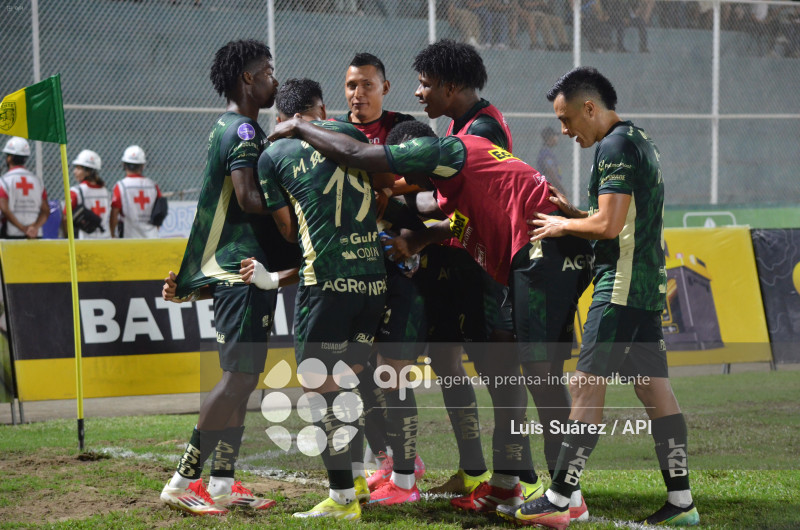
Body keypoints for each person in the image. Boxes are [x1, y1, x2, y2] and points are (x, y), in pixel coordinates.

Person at [267, 115, 593, 520]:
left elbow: (358, 153)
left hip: (543, 253)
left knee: (540, 377)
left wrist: (299, 128)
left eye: (402, 169)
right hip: (527, 261)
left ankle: (566, 495)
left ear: (413, 158)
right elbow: (451, 219)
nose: (420, 93)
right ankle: (509, 485)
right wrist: (418, 237)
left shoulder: (450, 148)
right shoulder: (449, 189)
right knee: (512, 369)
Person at [497, 66, 700, 527]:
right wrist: (575, 211)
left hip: (621, 284)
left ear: (591, 107)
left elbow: (609, 226)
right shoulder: (637, 139)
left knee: (586, 385)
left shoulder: (613, 146)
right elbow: (621, 218)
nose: (565, 131)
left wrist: (561, 224)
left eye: (568, 120)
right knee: (655, 392)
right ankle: (683, 503)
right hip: (645, 283)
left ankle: (559, 495)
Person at [159, 39, 300, 516]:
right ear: (248, 78)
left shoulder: (233, 127)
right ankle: (183, 480)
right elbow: (247, 199)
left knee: (243, 378)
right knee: (238, 378)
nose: (273, 81)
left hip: (245, 269)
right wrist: (298, 212)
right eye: (267, 72)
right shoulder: (242, 130)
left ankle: (221, 483)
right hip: (241, 269)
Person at [257, 78, 391, 521]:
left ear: (282, 118)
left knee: (321, 389)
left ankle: (342, 498)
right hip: (373, 281)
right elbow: (384, 186)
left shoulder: (273, 153)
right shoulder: (351, 134)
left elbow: (287, 230)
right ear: (323, 108)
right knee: (348, 384)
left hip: (326, 285)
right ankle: (355, 481)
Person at [331, 52, 424, 493]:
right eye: (351, 85)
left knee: (394, 372)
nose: (358, 93)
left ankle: (408, 469)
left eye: (367, 85)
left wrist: (389, 185)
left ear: (385, 88)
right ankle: (386, 458)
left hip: (399, 270)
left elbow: (432, 174)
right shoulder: (334, 133)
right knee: (359, 370)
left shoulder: (404, 128)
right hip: (352, 274)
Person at [0, 137, 49, 239]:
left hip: (11, 235)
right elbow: (45, 210)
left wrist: (23, 229)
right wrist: (34, 228)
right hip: (35, 235)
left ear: (9, 158)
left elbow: (4, 208)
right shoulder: (37, 181)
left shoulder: (4, 181)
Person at [109, 145, 162, 238]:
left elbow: (114, 213)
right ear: (142, 166)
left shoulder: (120, 186)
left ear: (124, 165)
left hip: (129, 239)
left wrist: (112, 234)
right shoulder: (153, 185)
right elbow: (160, 211)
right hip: (152, 239)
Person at [64, 149, 111, 239]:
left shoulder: (76, 191)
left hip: (85, 242)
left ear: (88, 171)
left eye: (78, 168)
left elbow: (65, 218)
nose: (74, 172)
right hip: (105, 240)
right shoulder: (106, 191)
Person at [536, 127, 566, 192]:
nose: (556, 138)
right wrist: (560, 187)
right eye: (555, 136)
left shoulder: (548, 152)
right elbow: (550, 171)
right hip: (549, 187)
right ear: (550, 137)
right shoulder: (546, 153)